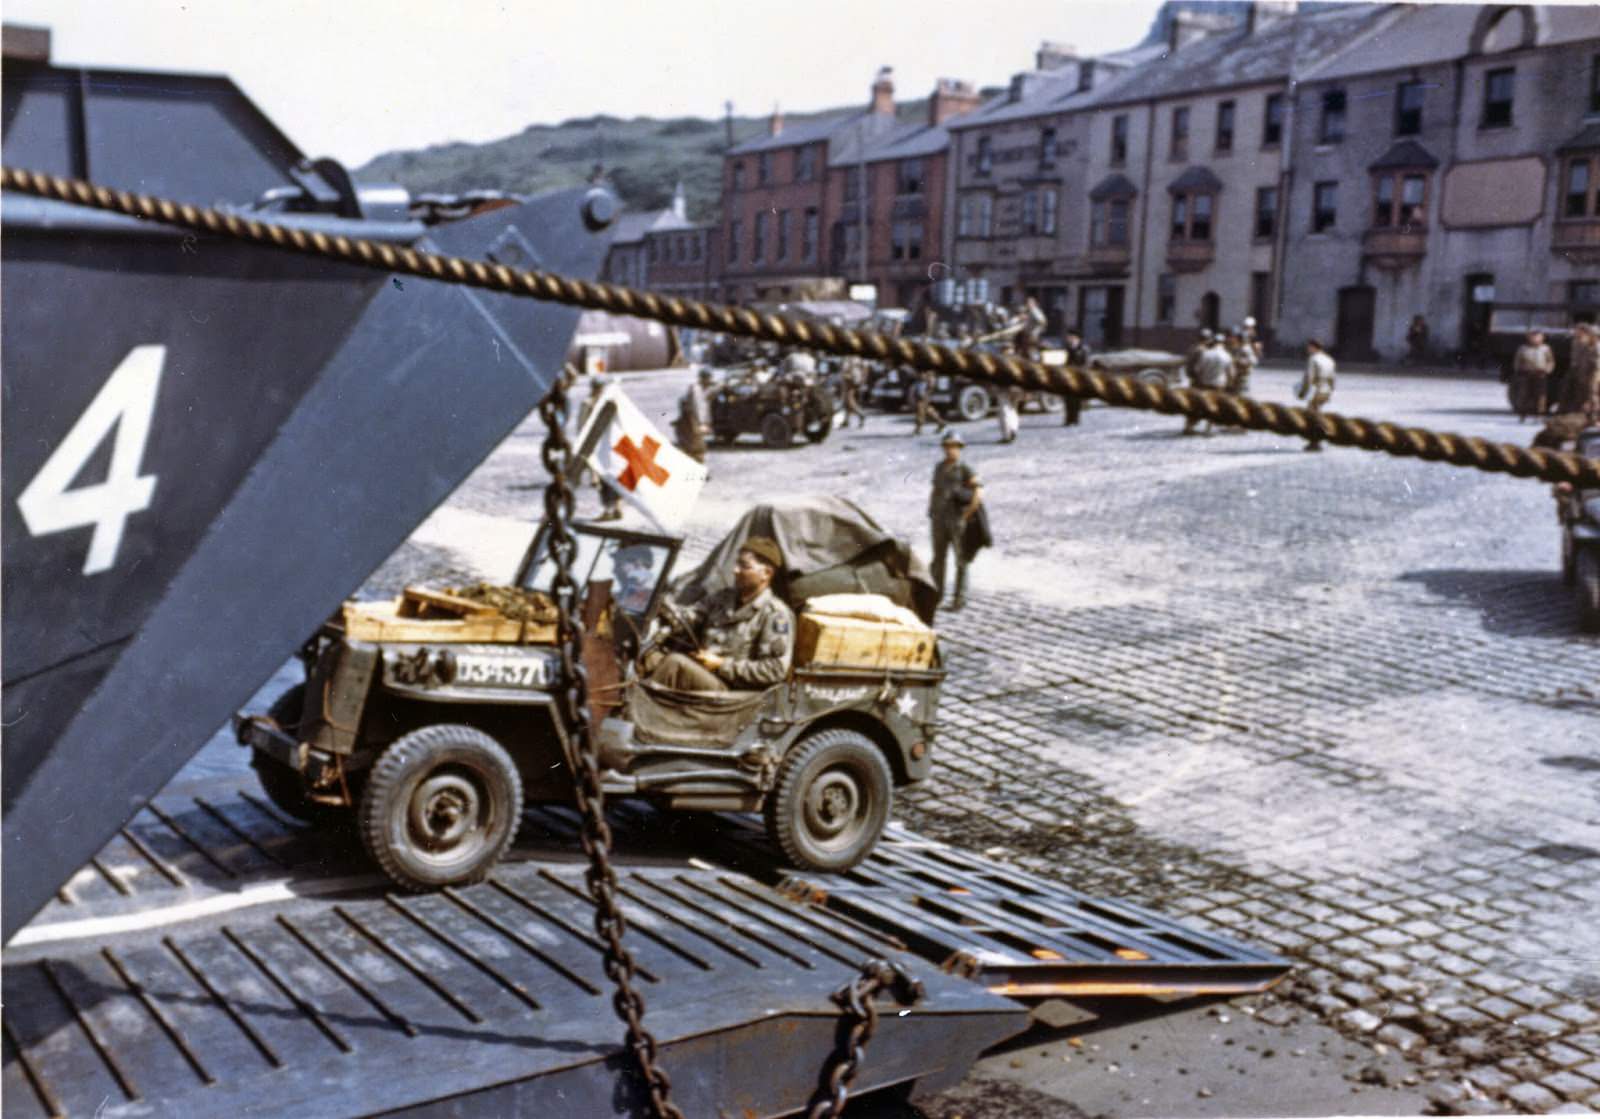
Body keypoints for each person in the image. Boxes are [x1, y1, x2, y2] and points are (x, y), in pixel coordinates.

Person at [649, 537, 793, 691]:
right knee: (649, 658)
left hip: (732, 692)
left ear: (766, 573)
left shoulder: (775, 614)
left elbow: (775, 670)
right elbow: (690, 617)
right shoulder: (723, 598)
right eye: (736, 563)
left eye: (744, 566)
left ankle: (636, 711)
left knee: (674, 664)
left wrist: (721, 665)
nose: (735, 570)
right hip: (703, 675)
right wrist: (663, 607)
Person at [929, 432, 983, 610]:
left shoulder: (965, 468)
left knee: (961, 559)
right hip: (939, 519)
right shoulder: (939, 467)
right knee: (938, 559)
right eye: (947, 446)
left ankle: (960, 598)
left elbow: (978, 492)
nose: (950, 449)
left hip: (957, 520)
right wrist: (931, 510)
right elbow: (935, 489)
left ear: (960, 448)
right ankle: (936, 595)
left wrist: (968, 514)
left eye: (954, 446)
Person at [577, 370, 623, 521]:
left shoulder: (592, 403)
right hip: (606, 446)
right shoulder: (608, 403)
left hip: (603, 447)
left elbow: (582, 426)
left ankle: (610, 510)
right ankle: (616, 507)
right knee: (612, 476)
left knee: (606, 478)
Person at [1184, 334, 1232, 436]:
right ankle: (1208, 429)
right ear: (1223, 343)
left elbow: (1198, 369)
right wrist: (1229, 383)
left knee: (1199, 405)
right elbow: (1230, 373)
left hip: (1204, 384)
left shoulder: (1206, 354)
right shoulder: (1226, 355)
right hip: (1219, 384)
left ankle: (1189, 427)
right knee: (1214, 405)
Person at [1298, 339, 1337, 452]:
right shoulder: (1329, 359)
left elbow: (1309, 378)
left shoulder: (1313, 359)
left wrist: (1303, 393)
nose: (1307, 349)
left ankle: (1321, 434)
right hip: (1326, 390)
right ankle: (1315, 441)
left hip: (1316, 390)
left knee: (1311, 416)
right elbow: (1332, 378)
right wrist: (1330, 392)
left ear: (1314, 347)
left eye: (1309, 347)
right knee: (1315, 413)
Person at [1512, 330, 1556, 423]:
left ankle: (1539, 415)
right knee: (1524, 395)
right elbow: (1517, 361)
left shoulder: (1545, 348)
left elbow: (1550, 361)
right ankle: (1522, 415)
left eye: (1538, 337)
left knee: (1540, 396)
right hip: (1526, 374)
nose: (1535, 339)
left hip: (1540, 374)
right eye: (1533, 337)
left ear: (1542, 338)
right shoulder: (1523, 348)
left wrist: (1547, 370)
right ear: (1529, 338)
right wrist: (1518, 370)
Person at [1560, 322, 1598, 418]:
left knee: (1592, 395)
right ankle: (1583, 415)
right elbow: (1577, 360)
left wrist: (1592, 377)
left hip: (1593, 375)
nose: (1578, 336)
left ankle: (1594, 416)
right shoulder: (1582, 345)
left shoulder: (1596, 346)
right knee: (1580, 395)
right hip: (1582, 374)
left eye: (1580, 334)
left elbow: (1596, 364)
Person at [675, 367, 714, 462]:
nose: (709, 381)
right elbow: (691, 412)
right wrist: (697, 427)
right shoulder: (695, 391)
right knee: (694, 451)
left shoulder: (701, 389)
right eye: (707, 378)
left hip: (690, 428)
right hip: (688, 427)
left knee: (696, 451)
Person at [610, 545, 658, 614]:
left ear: (638, 563)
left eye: (621, 564)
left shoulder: (637, 584)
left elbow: (623, 610)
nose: (615, 569)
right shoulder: (633, 585)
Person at [1062, 327, 1092, 427]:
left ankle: (1075, 419)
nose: (1069, 339)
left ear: (1076, 338)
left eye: (1071, 337)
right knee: (1067, 399)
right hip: (1068, 376)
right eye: (1068, 337)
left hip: (1078, 377)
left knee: (1076, 399)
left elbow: (1086, 364)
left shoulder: (1084, 349)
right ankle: (1068, 419)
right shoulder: (1067, 348)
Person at [911, 369, 945, 435]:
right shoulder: (921, 380)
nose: (921, 375)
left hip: (923, 398)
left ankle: (918, 429)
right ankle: (941, 422)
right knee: (929, 411)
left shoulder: (928, 379)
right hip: (921, 397)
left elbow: (930, 388)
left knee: (920, 412)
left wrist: (925, 396)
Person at [840, 356, 868, 427]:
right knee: (846, 401)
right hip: (849, 378)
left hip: (850, 378)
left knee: (849, 400)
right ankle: (846, 420)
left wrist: (862, 380)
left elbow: (865, 368)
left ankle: (861, 414)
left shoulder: (856, 357)